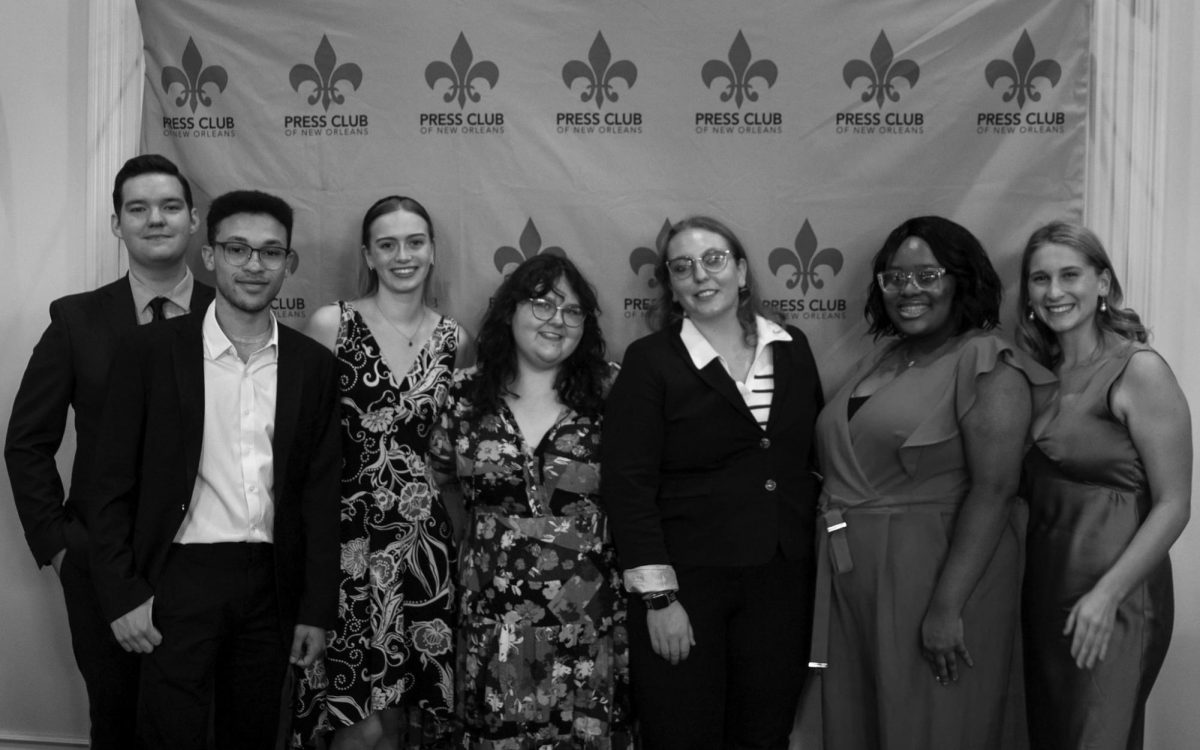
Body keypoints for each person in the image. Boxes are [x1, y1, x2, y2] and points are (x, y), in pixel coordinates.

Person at [84, 189, 341, 749]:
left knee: (250, 735)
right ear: (210, 256)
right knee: (167, 735)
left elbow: (321, 498)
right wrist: (123, 594)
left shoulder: (313, 366)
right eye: (237, 249)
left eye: (272, 252)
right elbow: (107, 488)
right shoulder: (149, 353)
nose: (254, 265)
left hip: (271, 584)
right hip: (177, 577)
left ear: (289, 264)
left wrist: (315, 608)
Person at [812, 216, 1051, 750]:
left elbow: (995, 490)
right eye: (894, 278)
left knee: (937, 726)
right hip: (859, 583)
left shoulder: (987, 358)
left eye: (927, 274)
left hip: (939, 576)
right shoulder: (886, 356)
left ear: (961, 278)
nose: (908, 290)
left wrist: (946, 608)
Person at [4, 154, 213, 749]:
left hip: (205, 562)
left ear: (194, 220)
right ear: (116, 225)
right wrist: (62, 549)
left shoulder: (230, 316)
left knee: (203, 727)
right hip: (98, 561)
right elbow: (27, 443)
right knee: (118, 724)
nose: (155, 220)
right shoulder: (76, 320)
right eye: (137, 209)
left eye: (170, 207)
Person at [602, 215, 823, 750]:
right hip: (688, 589)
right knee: (684, 733)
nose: (701, 275)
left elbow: (806, 460)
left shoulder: (792, 347)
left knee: (764, 733)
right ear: (672, 287)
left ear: (742, 271)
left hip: (781, 582)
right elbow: (628, 486)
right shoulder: (650, 361)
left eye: (714, 259)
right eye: (683, 267)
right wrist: (659, 600)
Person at [292, 196, 474, 749]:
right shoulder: (332, 323)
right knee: (356, 715)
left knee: (402, 717)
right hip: (350, 544)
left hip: (427, 550)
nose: (403, 255)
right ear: (368, 255)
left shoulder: (456, 340)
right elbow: (304, 442)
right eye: (387, 244)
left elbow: (455, 454)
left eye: (414, 242)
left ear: (433, 251)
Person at [429, 254, 631, 749]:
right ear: (509, 311)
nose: (556, 321)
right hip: (494, 622)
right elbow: (435, 483)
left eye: (572, 311)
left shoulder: (614, 390)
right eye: (542, 304)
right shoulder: (464, 394)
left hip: (587, 618)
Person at [1017, 221, 1191, 750]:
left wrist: (1106, 595)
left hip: (1115, 601)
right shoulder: (1035, 376)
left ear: (1103, 285)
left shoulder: (1139, 370)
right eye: (1039, 278)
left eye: (1070, 274)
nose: (1054, 292)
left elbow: (1174, 504)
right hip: (1045, 597)